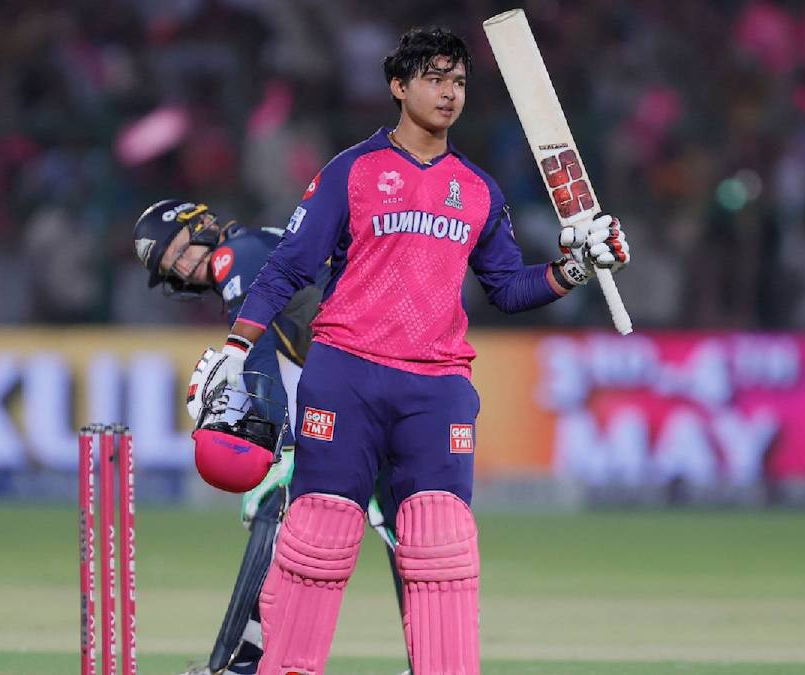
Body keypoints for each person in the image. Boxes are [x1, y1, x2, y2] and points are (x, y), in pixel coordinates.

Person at [184, 26, 630, 674]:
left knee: (441, 543)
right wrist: (235, 345)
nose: (449, 94)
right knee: (317, 538)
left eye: (458, 82)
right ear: (399, 85)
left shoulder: (478, 190)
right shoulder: (353, 172)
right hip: (346, 376)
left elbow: (508, 290)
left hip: (436, 385)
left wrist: (575, 268)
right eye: (434, 79)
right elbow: (286, 269)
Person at [131, 200, 409, 675]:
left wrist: (273, 441)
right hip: (379, 368)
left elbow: (255, 352)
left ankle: (249, 660)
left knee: (373, 521)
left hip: (376, 374)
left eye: (175, 251)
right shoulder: (252, 243)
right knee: (356, 518)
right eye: (168, 266)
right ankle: (250, 658)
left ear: (197, 225)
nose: (179, 269)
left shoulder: (232, 256)